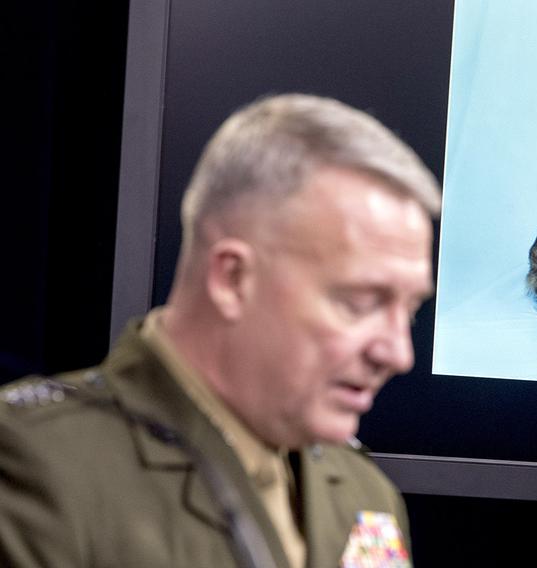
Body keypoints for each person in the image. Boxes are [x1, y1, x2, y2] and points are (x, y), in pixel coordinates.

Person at [0, 94, 440, 568]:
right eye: (360, 302)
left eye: (410, 309)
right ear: (232, 280)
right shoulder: (34, 469)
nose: (398, 354)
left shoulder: (363, 491)